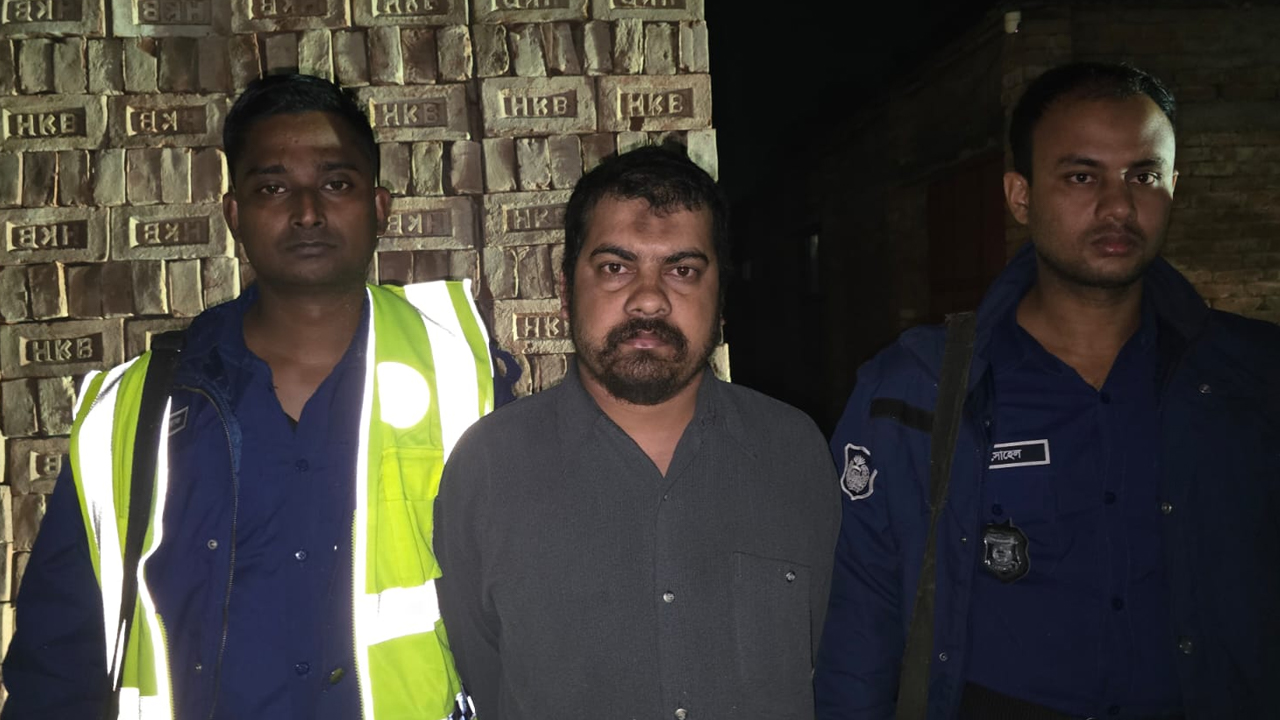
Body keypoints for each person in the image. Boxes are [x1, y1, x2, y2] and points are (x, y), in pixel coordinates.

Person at [2, 73, 512, 720]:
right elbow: (59, 657)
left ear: (379, 207)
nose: (307, 212)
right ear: (234, 214)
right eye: (273, 187)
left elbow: (526, 619)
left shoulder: (467, 380)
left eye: (336, 183)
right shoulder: (132, 412)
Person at [815, 62, 1280, 720]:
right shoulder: (917, 390)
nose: (1118, 206)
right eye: (1082, 176)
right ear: (1020, 195)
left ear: (1174, 185)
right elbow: (861, 621)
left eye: (1143, 175)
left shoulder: (1251, 378)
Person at [434, 144, 841, 719]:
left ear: (721, 297)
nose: (649, 299)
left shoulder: (793, 453)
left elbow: (822, 652)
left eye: (682, 270)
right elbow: (485, 675)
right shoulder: (488, 468)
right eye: (615, 268)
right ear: (565, 291)